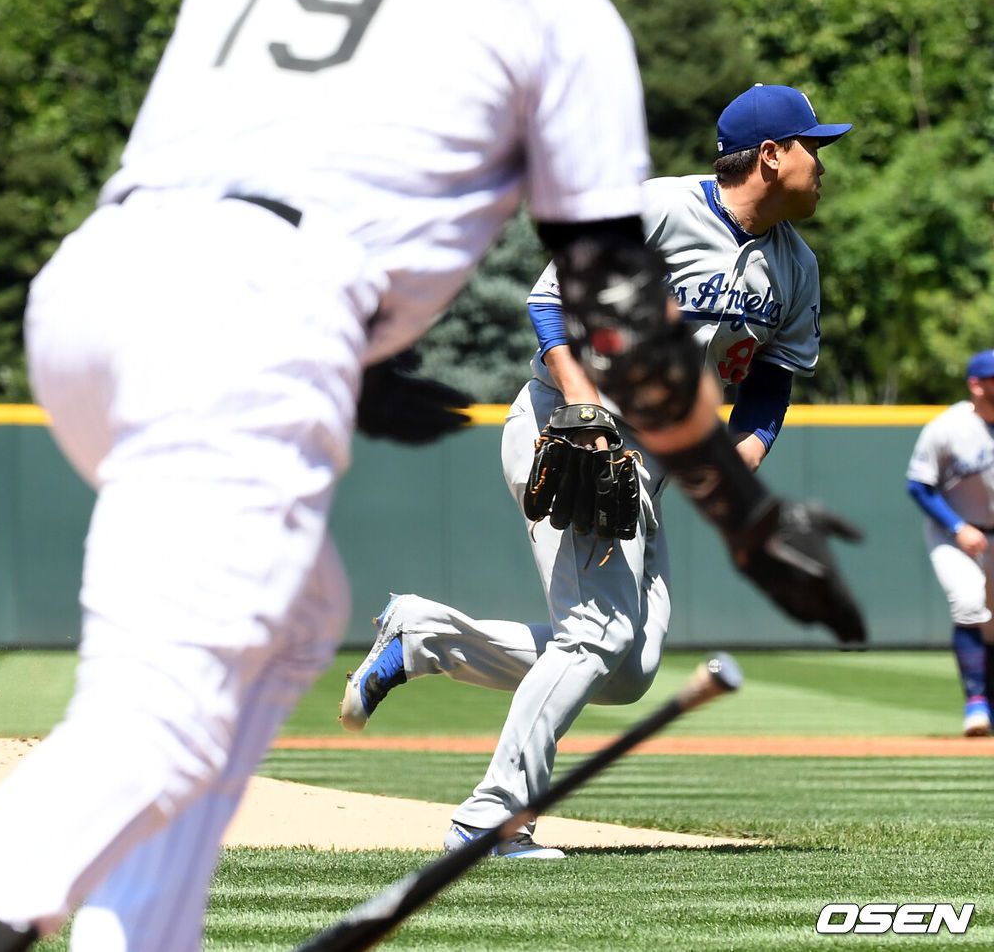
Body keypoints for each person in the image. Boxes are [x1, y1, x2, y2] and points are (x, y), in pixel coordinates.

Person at [0, 0, 861, 952]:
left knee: (277, 636)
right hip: (253, 315)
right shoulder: (559, 3)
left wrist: (362, 359)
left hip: (98, 284)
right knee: (166, 710)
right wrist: (749, 520)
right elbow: (599, 294)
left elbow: (254, 155)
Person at [340, 83, 860, 857]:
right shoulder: (654, 210)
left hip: (648, 461)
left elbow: (772, 382)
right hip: (568, 432)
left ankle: (423, 637)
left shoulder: (795, 268)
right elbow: (549, 303)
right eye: (813, 147)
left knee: (628, 668)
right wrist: (583, 410)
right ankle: (491, 817)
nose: (824, 164)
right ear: (771, 155)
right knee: (596, 630)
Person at [906, 350, 994, 736]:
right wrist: (957, 526)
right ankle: (976, 701)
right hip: (955, 534)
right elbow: (919, 486)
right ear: (976, 384)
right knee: (969, 601)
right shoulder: (948, 427)